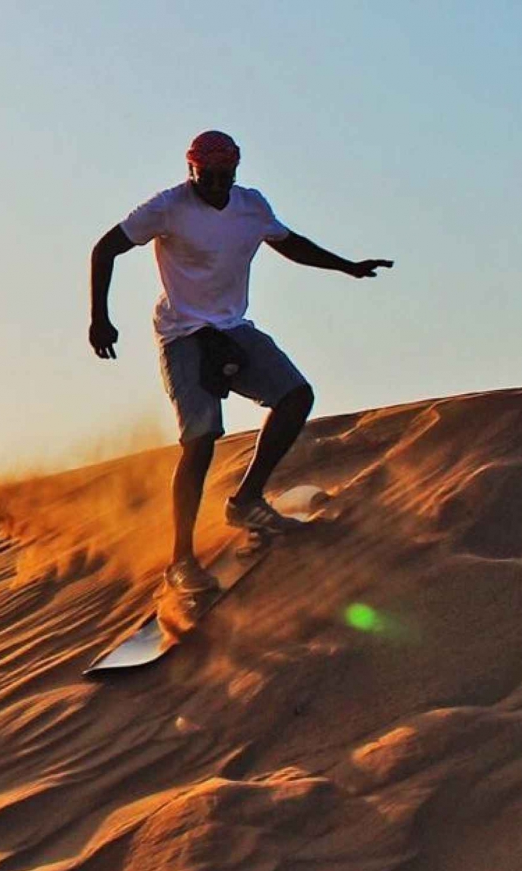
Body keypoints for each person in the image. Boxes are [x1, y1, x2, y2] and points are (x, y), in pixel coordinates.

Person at [89, 130, 392, 593]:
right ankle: (181, 562)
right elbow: (105, 248)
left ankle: (247, 500)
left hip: (233, 328)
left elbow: (290, 243)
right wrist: (100, 319)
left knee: (295, 396)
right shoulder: (168, 207)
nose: (215, 184)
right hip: (182, 335)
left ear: (235, 170)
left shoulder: (251, 206)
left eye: (223, 176)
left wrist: (347, 266)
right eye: (206, 176)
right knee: (202, 437)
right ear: (190, 169)